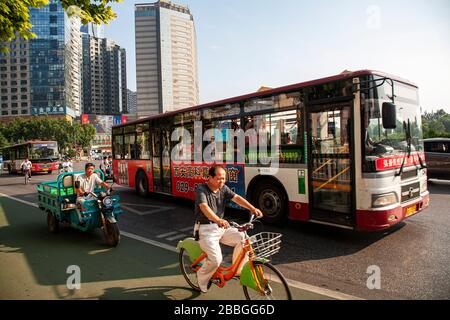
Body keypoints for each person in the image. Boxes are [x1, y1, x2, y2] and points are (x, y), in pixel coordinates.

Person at [194, 165, 263, 293]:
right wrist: (218, 220)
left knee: (242, 238)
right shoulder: (201, 189)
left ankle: (238, 270)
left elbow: (236, 198)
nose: (222, 181)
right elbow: (204, 207)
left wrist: (252, 208)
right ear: (209, 177)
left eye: (224, 178)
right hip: (205, 229)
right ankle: (201, 279)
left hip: (221, 228)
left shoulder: (223, 188)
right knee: (216, 260)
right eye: (219, 178)